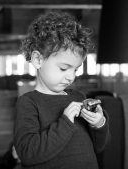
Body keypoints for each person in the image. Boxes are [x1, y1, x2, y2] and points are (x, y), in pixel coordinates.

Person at [13, 11, 110, 169]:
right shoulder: (28, 102)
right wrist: (64, 123)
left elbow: (99, 147)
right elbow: (27, 154)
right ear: (38, 60)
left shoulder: (78, 97)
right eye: (64, 68)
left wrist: (99, 123)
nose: (71, 77)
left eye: (75, 70)